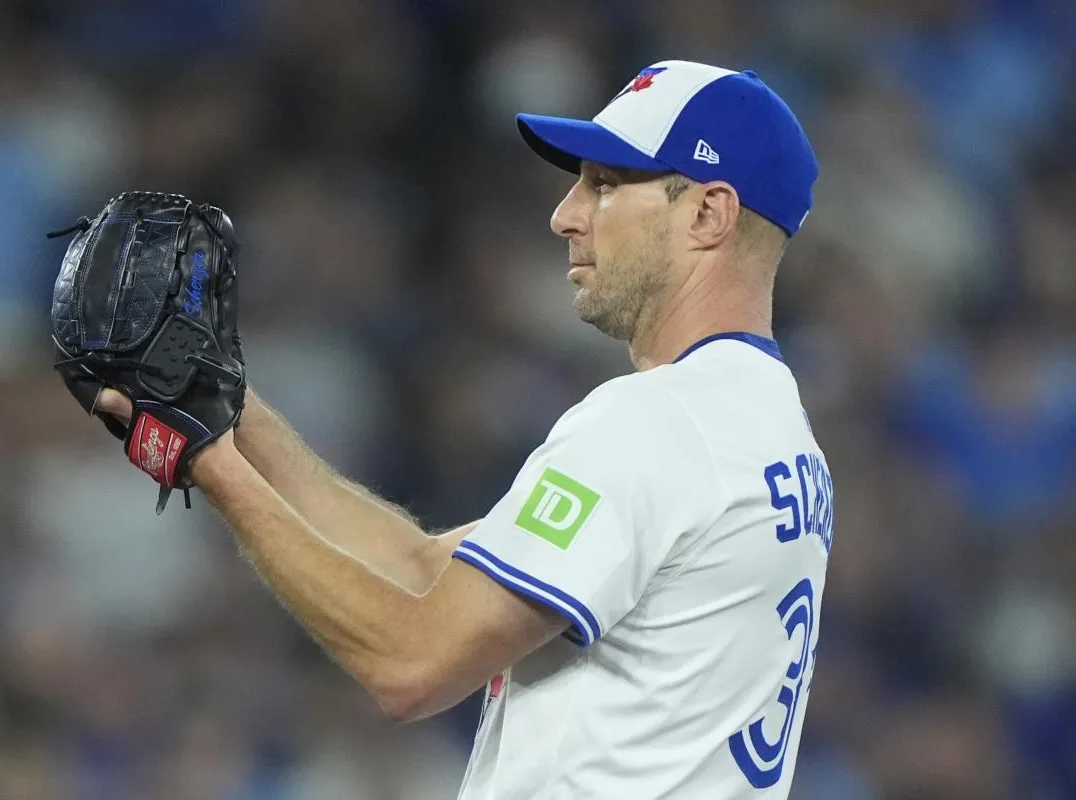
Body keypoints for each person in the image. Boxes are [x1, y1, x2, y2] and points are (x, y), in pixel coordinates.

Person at [98, 59, 834, 799]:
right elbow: (422, 569)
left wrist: (210, 467)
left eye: (606, 185)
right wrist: (229, 402)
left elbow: (411, 665)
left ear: (708, 214)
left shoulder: (658, 420)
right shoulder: (770, 432)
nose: (566, 214)